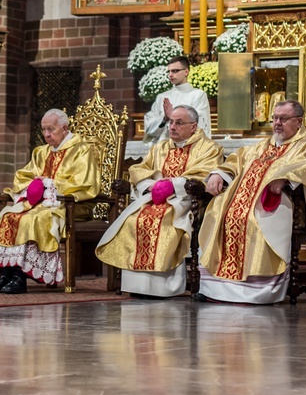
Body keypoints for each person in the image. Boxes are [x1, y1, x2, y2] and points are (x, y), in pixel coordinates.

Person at [197, 100, 306, 304]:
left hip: (278, 199)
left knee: (255, 220)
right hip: (239, 200)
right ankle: (215, 288)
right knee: (220, 214)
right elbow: (235, 160)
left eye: (283, 118)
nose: (277, 123)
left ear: (299, 122)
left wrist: (286, 178)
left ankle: (257, 290)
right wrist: (219, 173)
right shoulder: (261, 146)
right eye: (275, 118)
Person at [96, 105, 224, 297]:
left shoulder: (209, 148)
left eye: (179, 123)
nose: (172, 127)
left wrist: (175, 185)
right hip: (154, 197)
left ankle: (163, 287)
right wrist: (150, 185)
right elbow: (140, 169)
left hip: (185, 200)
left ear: (193, 126)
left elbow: (205, 176)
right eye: (171, 122)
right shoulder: (160, 147)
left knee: (164, 221)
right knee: (133, 220)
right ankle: (138, 286)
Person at [0, 108, 100, 293]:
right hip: (39, 205)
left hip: (71, 205)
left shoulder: (81, 150)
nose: (46, 134)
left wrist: (49, 186)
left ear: (65, 128)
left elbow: (85, 182)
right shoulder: (41, 152)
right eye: (43, 129)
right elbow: (24, 175)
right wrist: (34, 186)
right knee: (9, 216)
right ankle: (6, 273)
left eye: (51, 129)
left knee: (32, 219)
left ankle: (20, 277)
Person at [143, 56, 211, 144]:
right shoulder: (162, 97)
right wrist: (164, 119)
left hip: (189, 151)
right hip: (163, 152)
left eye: (175, 71)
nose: (170, 74)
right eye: (169, 71)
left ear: (186, 72)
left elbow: (201, 127)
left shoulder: (198, 95)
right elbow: (149, 130)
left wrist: (173, 117)